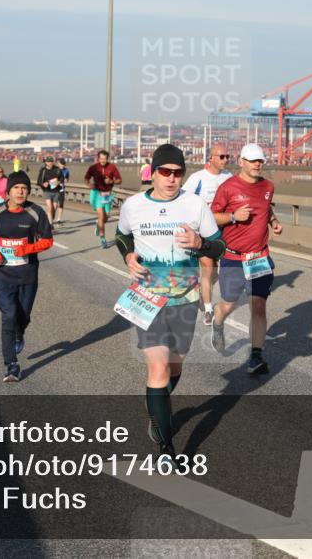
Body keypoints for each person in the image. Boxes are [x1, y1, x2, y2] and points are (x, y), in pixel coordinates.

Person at [114, 144, 224, 458]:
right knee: (159, 370)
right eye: (165, 172)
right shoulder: (134, 205)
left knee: (174, 369)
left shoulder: (195, 206)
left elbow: (220, 248)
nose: (172, 179)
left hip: (186, 299)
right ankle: (166, 445)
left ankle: (156, 402)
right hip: (147, 297)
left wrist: (201, 242)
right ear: (153, 172)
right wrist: (127, 254)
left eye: (178, 173)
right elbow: (123, 236)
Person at [209, 143, 283, 374]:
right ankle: (218, 322)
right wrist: (233, 216)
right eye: (252, 160)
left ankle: (256, 356)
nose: (257, 164)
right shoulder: (228, 187)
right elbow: (211, 216)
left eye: (260, 160)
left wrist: (273, 222)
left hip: (259, 256)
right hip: (233, 256)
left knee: (258, 305)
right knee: (229, 303)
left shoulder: (268, 186)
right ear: (241, 162)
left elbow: (266, 207)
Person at [0, 171, 54, 382]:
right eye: (17, 188)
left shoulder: (36, 212)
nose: (21, 192)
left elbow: (48, 240)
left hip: (28, 275)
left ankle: (20, 333)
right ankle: (11, 365)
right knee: (8, 314)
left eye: (24, 188)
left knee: (24, 316)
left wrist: (29, 248)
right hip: (2, 274)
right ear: (8, 191)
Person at [182, 143, 233, 326]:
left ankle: (201, 291)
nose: (225, 160)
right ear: (210, 158)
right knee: (208, 267)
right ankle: (209, 309)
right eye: (221, 156)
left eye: (227, 156)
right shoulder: (197, 178)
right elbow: (183, 200)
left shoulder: (229, 177)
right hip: (202, 232)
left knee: (215, 274)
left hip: (222, 231)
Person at [84, 150, 122, 247]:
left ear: (107, 158)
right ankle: (103, 239)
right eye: (101, 159)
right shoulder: (93, 168)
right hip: (97, 193)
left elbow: (119, 180)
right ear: (98, 158)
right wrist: (89, 185)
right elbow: (86, 178)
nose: (103, 161)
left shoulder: (112, 167)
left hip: (108, 195)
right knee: (101, 216)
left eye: (104, 159)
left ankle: (98, 224)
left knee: (105, 218)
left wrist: (111, 181)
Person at [36, 156, 64, 225]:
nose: (50, 163)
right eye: (48, 162)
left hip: (56, 191)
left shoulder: (57, 169)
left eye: (51, 161)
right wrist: (43, 184)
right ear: (46, 162)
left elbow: (62, 178)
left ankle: (49, 218)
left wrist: (59, 182)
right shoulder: (43, 170)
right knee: (49, 208)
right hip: (47, 191)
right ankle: (50, 225)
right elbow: (39, 181)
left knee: (54, 209)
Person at [55, 158, 70, 225]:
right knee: (54, 205)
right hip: (54, 190)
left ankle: (58, 219)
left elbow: (67, 179)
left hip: (62, 189)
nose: (63, 165)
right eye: (61, 164)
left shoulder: (66, 170)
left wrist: (65, 180)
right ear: (58, 164)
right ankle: (51, 218)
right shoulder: (55, 170)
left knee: (61, 204)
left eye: (64, 164)